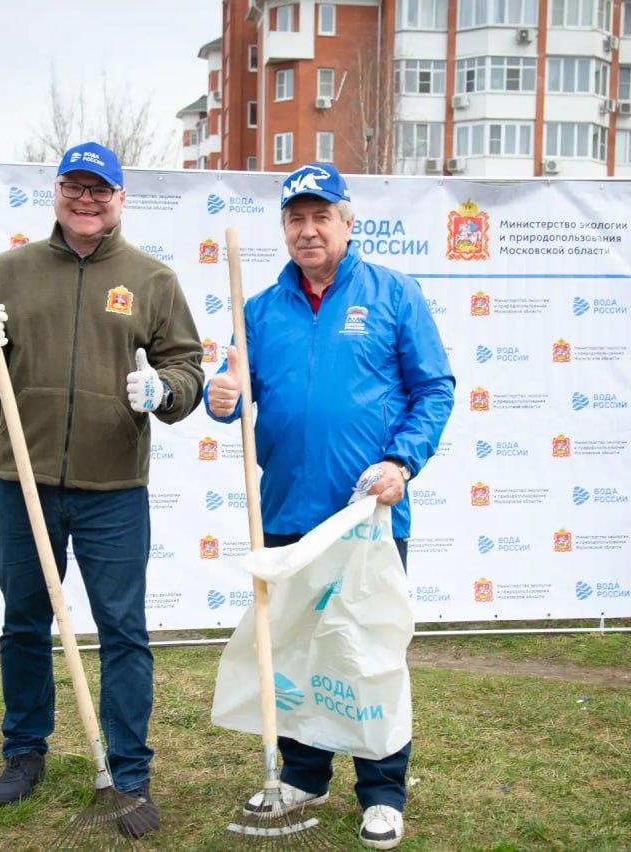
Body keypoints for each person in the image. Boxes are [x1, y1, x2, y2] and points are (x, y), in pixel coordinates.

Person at [0, 141, 204, 838]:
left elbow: (187, 369)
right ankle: (24, 750)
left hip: (112, 486)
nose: (86, 200)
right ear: (57, 192)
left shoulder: (152, 280)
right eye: (74, 187)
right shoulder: (10, 271)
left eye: (100, 189)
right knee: (25, 624)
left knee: (123, 631)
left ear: (120, 199)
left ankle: (129, 772)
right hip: (23, 479)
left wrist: (164, 389)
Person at [205, 162, 454, 849]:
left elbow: (434, 388)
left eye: (321, 216)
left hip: (368, 514)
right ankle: (304, 775)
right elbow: (232, 394)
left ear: (348, 222)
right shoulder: (260, 310)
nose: (308, 230)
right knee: (293, 651)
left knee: (366, 648)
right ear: (284, 228)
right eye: (296, 218)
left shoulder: (392, 293)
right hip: (287, 508)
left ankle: (382, 792)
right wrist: (220, 398)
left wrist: (402, 461)